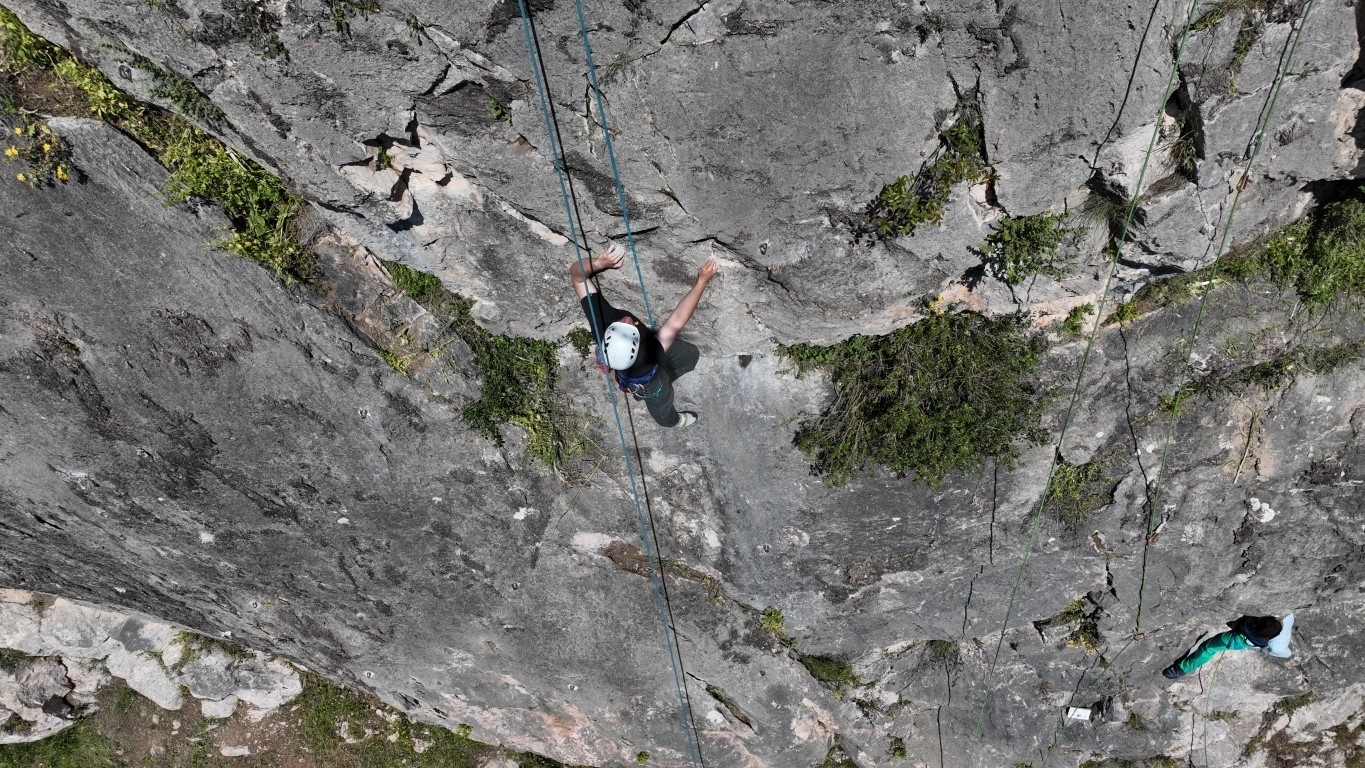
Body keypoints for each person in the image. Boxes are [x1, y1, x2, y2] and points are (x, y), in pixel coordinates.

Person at [569, 243, 718, 428]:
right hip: (650, 383)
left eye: (619, 326)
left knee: (690, 354)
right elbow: (676, 321)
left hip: (644, 362)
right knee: (663, 402)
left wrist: (599, 263)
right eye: (630, 329)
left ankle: (656, 375)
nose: (626, 320)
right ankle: (673, 420)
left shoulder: (602, 323)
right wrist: (702, 281)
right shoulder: (647, 355)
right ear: (637, 346)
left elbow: (577, 277)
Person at [1162, 614, 1294, 679]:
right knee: (1211, 647)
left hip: (1238, 639)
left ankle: (1182, 669)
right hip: (1244, 641)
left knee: (1209, 648)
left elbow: (1237, 624)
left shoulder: (1275, 642)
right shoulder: (1275, 636)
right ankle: (1181, 669)